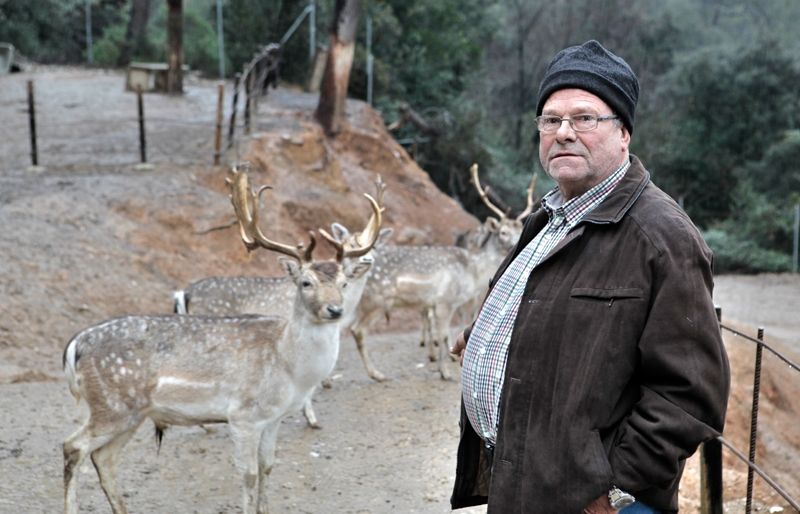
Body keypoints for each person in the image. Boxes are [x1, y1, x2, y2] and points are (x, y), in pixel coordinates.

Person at [449, 40, 730, 514]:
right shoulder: (549, 217)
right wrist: (483, 336)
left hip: (593, 503)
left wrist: (614, 492)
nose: (563, 133)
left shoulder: (660, 236)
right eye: (550, 120)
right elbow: (554, 305)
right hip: (524, 482)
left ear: (624, 133)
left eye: (584, 118)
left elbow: (690, 394)